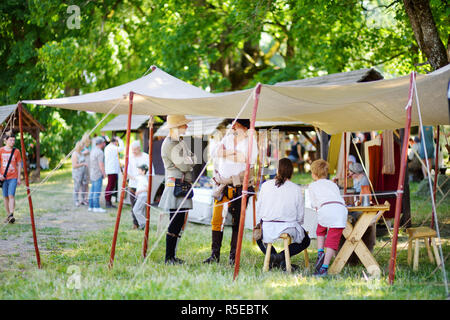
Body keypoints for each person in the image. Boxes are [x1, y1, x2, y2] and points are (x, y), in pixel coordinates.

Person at [203, 118, 258, 265]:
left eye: (237, 125)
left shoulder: (250, 142)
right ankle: (214, 255)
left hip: (239, 186)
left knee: (237, 223)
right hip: (222, 185)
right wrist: (234, 154)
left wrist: (226, 153)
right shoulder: (227, 138)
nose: (233, 126)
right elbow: (215, 152)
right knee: (216, 220)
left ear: (245, 128)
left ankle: (233, 257)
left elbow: (246, 158)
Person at [255, 158, 310, 271]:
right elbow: (300, 215)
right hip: (289, 226)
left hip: (268, 226)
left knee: (258, 237)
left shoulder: (266, 185)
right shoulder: (296, 188)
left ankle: (275, 258)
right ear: (291, 172)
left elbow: (259, 208)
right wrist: (297, 223)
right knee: (306, 240)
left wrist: (263, 220)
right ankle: (280, 258)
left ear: (277, 170)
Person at [159, 115, 196, 264]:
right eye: (184, 125)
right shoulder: (169, 144)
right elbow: (186, 165)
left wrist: (188, 159)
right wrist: (187, 160)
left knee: (179, 221)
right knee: (174, 222)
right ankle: (169, 258)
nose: (186, 127)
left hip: (181, 183)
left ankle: (172, 256)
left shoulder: (179, 141)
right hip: (175, 184)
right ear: (177, 127)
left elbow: (193, 159)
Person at [308, 159, 348, 277]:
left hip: (325, 209)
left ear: (314, 174)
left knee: (321, 228)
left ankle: (320, 253)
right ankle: (324, 267)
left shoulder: (313, 185)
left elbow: (314, 204)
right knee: (332, 238)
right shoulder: (333, 184)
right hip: (340, 210)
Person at [0, 133, 22, 224]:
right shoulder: (1, 150)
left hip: (13, 177)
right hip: (3, 178)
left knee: (11, 195)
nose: (13, 142)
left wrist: (19, 177)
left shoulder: (16, 151)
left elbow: (19, 164)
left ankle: (11, 215)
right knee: (5, 196)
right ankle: (8, 215)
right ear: (5, 140)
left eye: (14, 140)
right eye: (11, 140)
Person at [127, 140, 149, 229]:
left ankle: (143, 224)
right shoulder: (130, 157)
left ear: (139, 148)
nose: (133, 152)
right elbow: (128, 171)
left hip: (143, 186)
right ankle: (135, 223)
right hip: (133, 184)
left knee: (142, 207)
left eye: (135, 150)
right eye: (132, 150)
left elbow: (151, 171)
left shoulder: (146, 157)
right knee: (133, 205)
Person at [104, 136, 124, 208]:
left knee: (111, 185)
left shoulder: (108, 147)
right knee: (110, 185)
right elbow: (122, 148)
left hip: (111, 169)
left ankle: (108, 201)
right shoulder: (112, 147)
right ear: (115, 142)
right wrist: (120, 140)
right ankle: (108, 201)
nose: (117, 144)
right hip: (112, 169)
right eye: (117, 142)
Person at [88, 137, 106, 212]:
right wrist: (104, 173)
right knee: (97, 191)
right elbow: (101, 164)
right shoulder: (100, 152)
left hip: (92, 172)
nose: (104, 144)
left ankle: (91, 206)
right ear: (101, 143)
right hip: (97, 173)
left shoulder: (93, 150)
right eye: (104, 143)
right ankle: (96, 207)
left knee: (92, 190)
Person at [131, 164, 149, 230]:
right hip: (140, 196)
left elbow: (148, 188)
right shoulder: (140, 177)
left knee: (136, 210)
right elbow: (132, 178)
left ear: (143, 171)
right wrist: (125, 173)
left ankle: (143, 224)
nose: (138, 170)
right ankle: (144, 225)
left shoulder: (144, 178)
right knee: (141, 211)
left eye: (139, 169)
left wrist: (139, 191)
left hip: (143, 196)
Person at [71, 141, 89, 207]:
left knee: (83, 186)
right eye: (82, 147)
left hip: (83, 173)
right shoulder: (75, 154)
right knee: (77, 187)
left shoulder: (81, 153)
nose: (83, 148)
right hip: (77, 174)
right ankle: (76, 200)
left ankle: (83, 200)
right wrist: (83, 164)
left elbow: (87, 151)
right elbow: (74, 165)